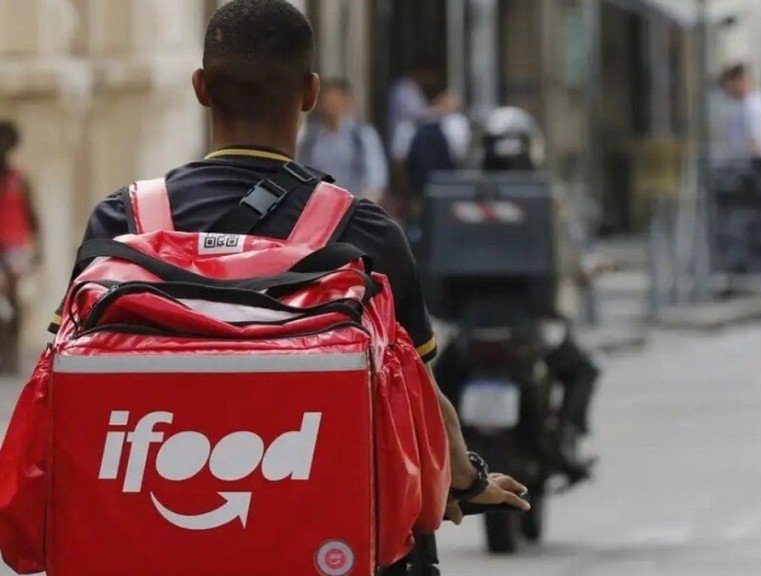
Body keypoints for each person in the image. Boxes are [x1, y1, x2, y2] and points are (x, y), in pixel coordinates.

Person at [58, 0, 528, 547]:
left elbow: (63, 377)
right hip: (317, 532)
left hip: (144, 530)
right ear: (310, 93)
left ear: (200, 88)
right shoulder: (364, 232)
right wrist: (467, 480)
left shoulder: (124, 219)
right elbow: (419, 391)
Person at [434, 107, 599, 482]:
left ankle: (430, 457)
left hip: (470, 326)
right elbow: (567, 256)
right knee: (583, 370)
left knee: (432, 387)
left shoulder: (457, 198)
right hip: (527, 326)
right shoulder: (544, 198)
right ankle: (567, 442)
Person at [297, 77, 389, 203]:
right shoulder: (310, 138)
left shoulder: (361, 135)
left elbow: (376, 176)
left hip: (354, 203)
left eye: (337, 99)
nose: (332, 104)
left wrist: (364, 205)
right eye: (328, 99)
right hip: (320, 204)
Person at [0, 121, 39, 375]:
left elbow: (32, 215)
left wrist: (37, 249)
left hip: (16, 247)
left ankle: (11, 353)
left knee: (12, 298)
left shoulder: (20, 179)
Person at [401, 86, 471, 216]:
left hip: (423, 182)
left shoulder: (421, 124)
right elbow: (459, 153)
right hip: (440, 180)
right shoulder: (454, 123)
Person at [719, 63, 761, 165]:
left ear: (740, 81)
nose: (729, 90)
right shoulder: (745, 103)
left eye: (730, 85)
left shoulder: (753, 105)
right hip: (743, 162)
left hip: (751, 164)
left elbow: (755, 140)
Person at [388, 60, 438, 161]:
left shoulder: (415, 88)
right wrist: (440, 109)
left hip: (413, 139)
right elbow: (417, 114)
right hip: (403, 137)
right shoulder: (403, 88)